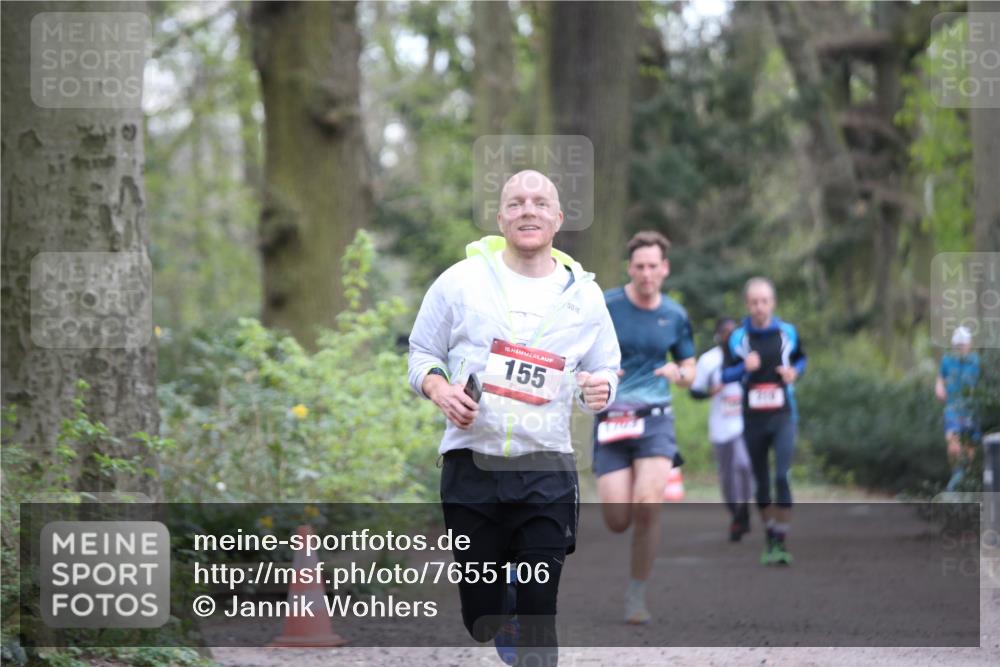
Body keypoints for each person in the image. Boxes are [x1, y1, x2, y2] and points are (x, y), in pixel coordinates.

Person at [408, 169, 620, 665]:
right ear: (501, 217)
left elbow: (606, 367)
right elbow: (421, 353)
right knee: (481, 617)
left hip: (546, 468)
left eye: (540, 202)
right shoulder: (460, 282)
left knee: (540, 609)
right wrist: (440, 390)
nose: (529, 210)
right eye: (517, 202)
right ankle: (502, 606)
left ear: (558, 219)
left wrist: (601, 387)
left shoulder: (583, 295)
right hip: (471, 466)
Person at [593, 230, 695, 624]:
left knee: (648, 508)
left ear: (665, 269)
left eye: (654, 266)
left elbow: (690, 368)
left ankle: (637, 595)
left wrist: (678, 373)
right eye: (640, 266)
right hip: (613, 422)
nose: (647, 273)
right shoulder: (607, 306)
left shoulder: (675, 315)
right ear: (629, 269)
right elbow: (581, 351)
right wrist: (597, 371)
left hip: (655, 421)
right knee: (618, 520)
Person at [722, 277, 806, 566]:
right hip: (752, 417)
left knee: (782, 475)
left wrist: (794, 372)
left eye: (765, 301)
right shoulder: (737, 338)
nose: (760, 307)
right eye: (754, 302)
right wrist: (742, 369)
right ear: (748, 304)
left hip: (783, 415)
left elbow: (801, 361)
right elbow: (724, 375)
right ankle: (770, 537)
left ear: (773, 303)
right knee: (762, 481)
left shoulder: (788, 333)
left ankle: (781, 539)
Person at [690, 317, 753, 542]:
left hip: (744, 424)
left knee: (744, 465)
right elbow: (694, 391)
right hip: (720, 426)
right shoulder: (709, 360)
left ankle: (743, 510)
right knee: (727, 476)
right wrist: (710, 392)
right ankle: (736, 513)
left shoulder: (748, 357)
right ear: (717, 335)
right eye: (725, 332)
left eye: (733, 332)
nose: (729, 336)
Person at [935, 325, 981, 491]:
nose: (960, 347)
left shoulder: (976, 360)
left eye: (963, 344)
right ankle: (955, 482)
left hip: (971, 411)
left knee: (970, 452)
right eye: (958, 344)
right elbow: (940, 378)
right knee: (954, 447)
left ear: (970, 344)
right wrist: (939, 387)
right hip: (953, 409)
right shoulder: (947, 360)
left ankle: (964, 483)